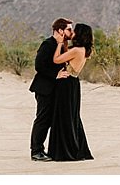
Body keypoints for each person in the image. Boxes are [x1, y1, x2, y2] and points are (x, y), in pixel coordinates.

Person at [47, 22, 94, 161]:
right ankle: (76, 148)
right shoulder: (84, 50)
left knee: (63, 116)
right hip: (74, 83)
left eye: (74, 31)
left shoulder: (76, 50)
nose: (72, 33)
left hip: (65, 84)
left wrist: (60, 43)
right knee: (72, 116)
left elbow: (56, 60)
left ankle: (64, 151)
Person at [29, 17, 73, 161]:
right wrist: (56, 74)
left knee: (50, 120)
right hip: (44, 89)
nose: (71, 32)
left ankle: (44, 150)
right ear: (60, 30)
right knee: (43, 119)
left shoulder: (62, 45)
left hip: (55, 90)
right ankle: (36, 151)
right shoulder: (47, 44)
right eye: (68, 29)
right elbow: (39, 66)